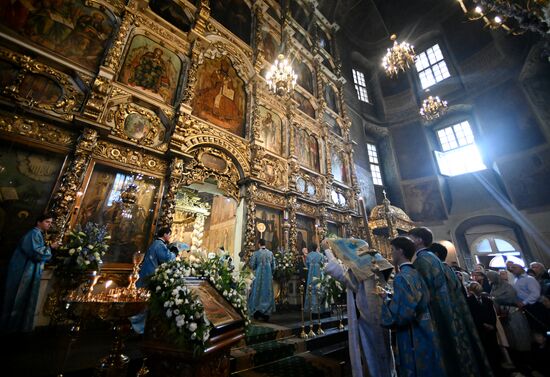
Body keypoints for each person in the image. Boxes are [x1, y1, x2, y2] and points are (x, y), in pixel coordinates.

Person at [408, 227, 493, 377]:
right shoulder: (438, 261)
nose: (409, 241)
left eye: (411, 237)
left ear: (419, 240)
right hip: (451, 312)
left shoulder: (422, 261)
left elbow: (420, 293)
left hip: (437, 315)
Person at [324, 237, 396, 377]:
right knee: (384, 353)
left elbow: (342, 275)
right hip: (382, 313)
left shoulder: (362, 266)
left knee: (373, 353)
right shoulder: (377, 260)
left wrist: (328, 251)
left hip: (368, 316)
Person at [380, 236, 444, 377]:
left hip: (412, 331)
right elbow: (417, 298)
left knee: (415, 368)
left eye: (392, 250)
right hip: (426, 326)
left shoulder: (401, 277)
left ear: (400, 251)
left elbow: (402, 315)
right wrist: (392, 299)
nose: (391, 253)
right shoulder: (415, 272)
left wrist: (385, 303)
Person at [1, 214, 59, 333]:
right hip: (22, 271)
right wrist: (51, 247)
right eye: (47, 222)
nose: (49, 224)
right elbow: (36, 253)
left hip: (29, 270)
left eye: (50, 222)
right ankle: (10, 330)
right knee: (17, 297)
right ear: (39, 222)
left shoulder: (38, 234)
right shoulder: (33, 234)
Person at [130, 227, 176, 334]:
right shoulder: (159, 245)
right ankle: (138, 327)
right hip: (150, 275)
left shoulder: (155, 244)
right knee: (146, 302)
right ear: (165, 234)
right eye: (169, 234)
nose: (169, 237)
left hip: (147, 274)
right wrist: (174, 252)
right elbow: (167, 258)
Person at [466, 281, 502, 375]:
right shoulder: (468, 301)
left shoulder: (487, 300)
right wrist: (482, 324)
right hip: (480, 329)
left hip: (491, 328)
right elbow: (472, 315)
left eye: (478, 285)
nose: (477, 287)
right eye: (474, 286)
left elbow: (492, 314)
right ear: (470, 289)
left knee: (494, 350)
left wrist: (492, 325)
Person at [248, 239, 275, 321]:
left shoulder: (256, 254)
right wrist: (271, 273)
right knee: (267, 292)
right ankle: (266, 313)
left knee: (257, 292)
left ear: (259, 244)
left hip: (259, 276)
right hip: (268, 276)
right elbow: (274, 266)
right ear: (265, 244)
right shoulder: (270, 253)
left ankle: (257, 312)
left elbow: (252, 265)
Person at [304, 243, 328, 314]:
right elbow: (324, 263)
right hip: (319, 274)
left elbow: (307, 265)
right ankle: (321, 308)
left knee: (312, 290)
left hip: (311, 275)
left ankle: (312, 309)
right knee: (320, 289)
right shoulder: (320, 255)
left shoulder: (308, 255)